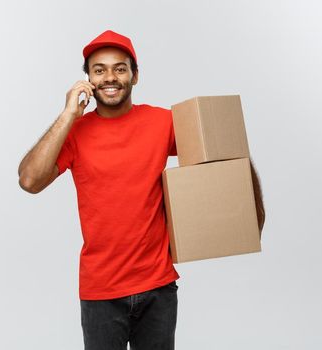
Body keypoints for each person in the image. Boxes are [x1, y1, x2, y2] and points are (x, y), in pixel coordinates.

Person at [17, 30, 265, 350]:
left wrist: (252, 211)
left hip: (158, 287)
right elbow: (29, 181)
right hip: (101, 293)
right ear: (88, 80)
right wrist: (67, 115)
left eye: (120, 68)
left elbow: (223, 152)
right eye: (99, 69)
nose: (110, 76)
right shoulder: (75, 132)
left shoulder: (162, 122)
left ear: (135, 76)